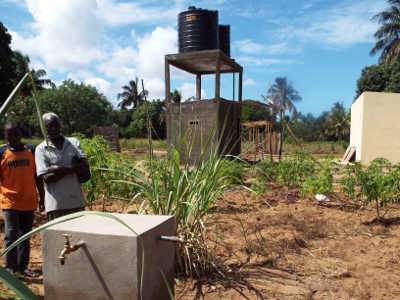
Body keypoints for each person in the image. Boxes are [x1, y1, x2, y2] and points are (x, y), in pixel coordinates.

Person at [0, 122, 44, 276]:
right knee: (11, 234)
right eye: (9, 134)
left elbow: (38, 177)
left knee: (25, 234)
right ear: (5, 136)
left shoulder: (31, 150)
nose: (13, 137)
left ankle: (22, 266)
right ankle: (10, 267)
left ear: (21, 133)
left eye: (15, 133)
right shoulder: (2, 152)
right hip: (9, 200)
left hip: (29, 200)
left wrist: (42, 198)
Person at [35, 112, 90, 221]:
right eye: (49, 126)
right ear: (44, 128)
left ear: (60, 125)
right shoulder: (41, 149)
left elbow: (85, 167)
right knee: (58, 237)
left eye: (55, 125)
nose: (53, 128)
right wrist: (73, 168)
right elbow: (47, 179)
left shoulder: (74, 142)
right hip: (55, 205)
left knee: (79, 237)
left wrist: (58, 169)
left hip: (76, 202)